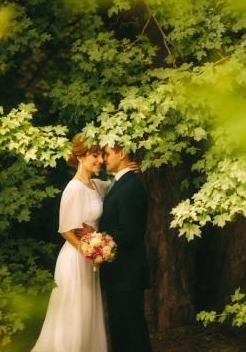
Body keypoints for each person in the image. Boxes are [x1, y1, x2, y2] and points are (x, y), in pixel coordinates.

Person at [31, 135, 112, 352]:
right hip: (75, 259)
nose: (101, 160)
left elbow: (117, 183)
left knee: (87, 312)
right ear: (81, 156)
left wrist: (130, 168)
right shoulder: (73, 188)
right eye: (95, 155)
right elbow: (65, 230)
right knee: (75, 313)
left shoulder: (96, 185)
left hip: (89, 259)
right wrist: (88, 250)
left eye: (102, 156)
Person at [92, 145, 153, 352]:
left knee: (132, 334)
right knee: (120, 334)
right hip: (118, 273)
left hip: (128, 272)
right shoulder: (117, 183)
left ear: (122, 153)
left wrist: (95, 239)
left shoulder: (131, 187)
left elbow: (128, 233)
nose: (103, 158)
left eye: (106, 154)